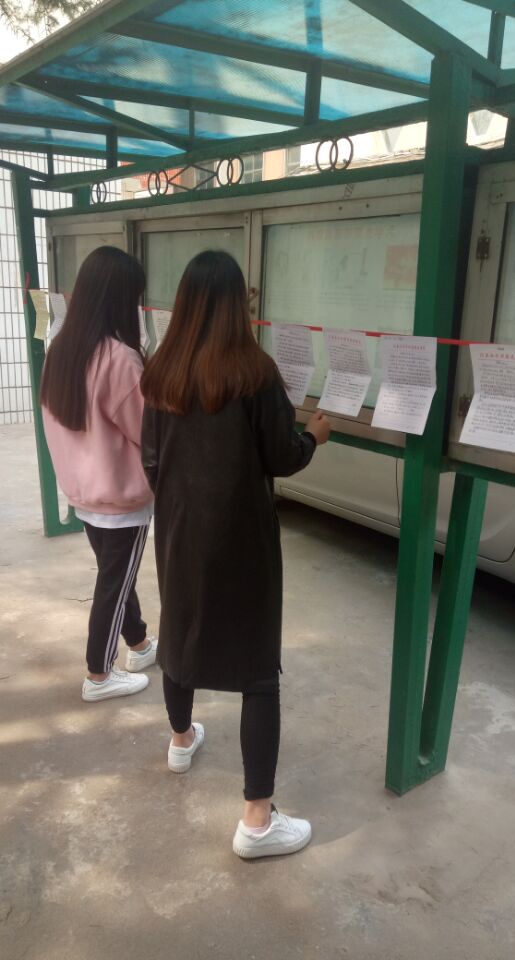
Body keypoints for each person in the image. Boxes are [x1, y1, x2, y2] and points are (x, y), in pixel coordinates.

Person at [140, 250, 330, 859]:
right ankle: (256, 822)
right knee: (255, 669)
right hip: (243, 540)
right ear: (235, 305)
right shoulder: (255, 372)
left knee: (181, 633)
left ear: (185, 303)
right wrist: (314, 436)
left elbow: (150, 462)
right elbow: (282, 456)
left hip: (179, 533)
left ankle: (180, 741)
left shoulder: (160, 371)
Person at [40, 246, 157, 703]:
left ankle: (140, 645)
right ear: (121, 299)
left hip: (84, 493)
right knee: (113, 583)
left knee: (116, 577)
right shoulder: (120, 358)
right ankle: (99, 674)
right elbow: (148, 432)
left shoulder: (61, 349)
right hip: (122, 496)